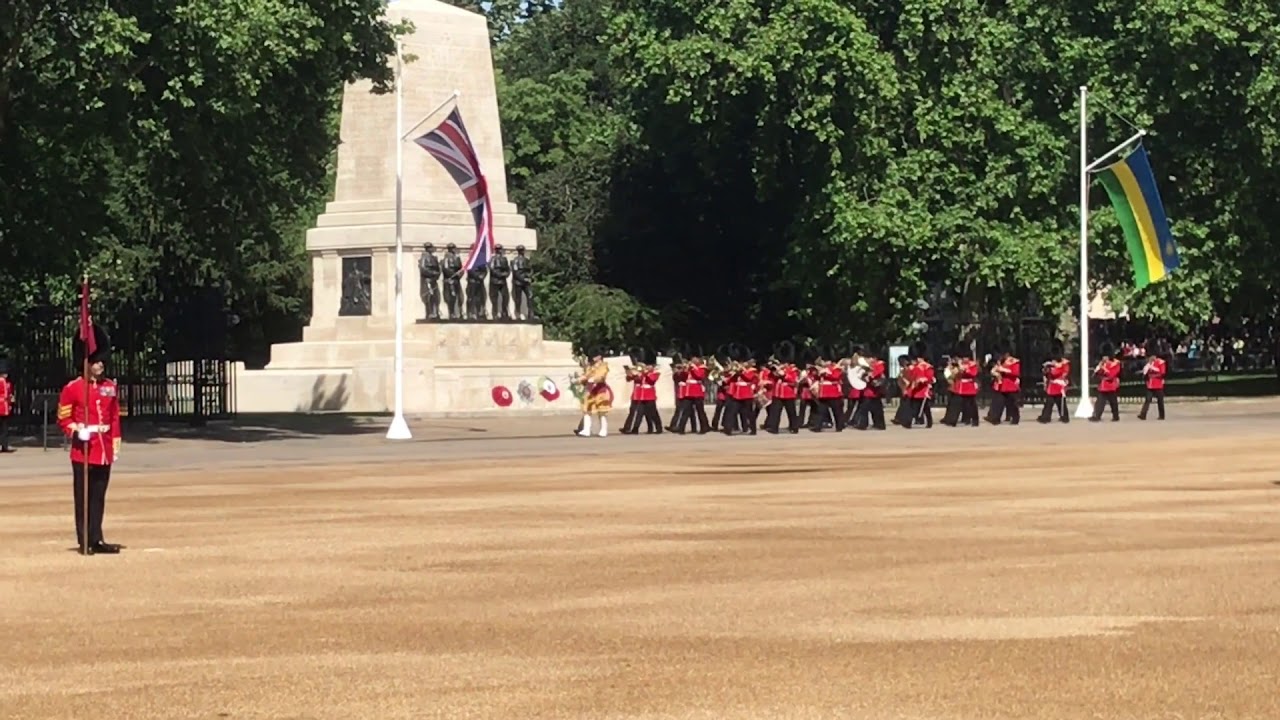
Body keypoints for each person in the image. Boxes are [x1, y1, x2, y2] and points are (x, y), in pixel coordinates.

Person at [57, 326, 122, 555]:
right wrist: (77, 431)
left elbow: (114, 418)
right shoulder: (73, 389)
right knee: (83, 498)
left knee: (98, 498)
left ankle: (97, 537)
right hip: (83, 450)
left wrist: (114, 443)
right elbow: (64, 419)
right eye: (95, 361)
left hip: (102, 450)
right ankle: (84, 540)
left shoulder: (110, 388)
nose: (100, 365)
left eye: (101, 361)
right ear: (85, 363)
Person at [0, 361, 12, 453]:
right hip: (1, 407)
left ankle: (4, 446)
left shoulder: (8, 383)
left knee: (4, 428)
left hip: (5, 408)